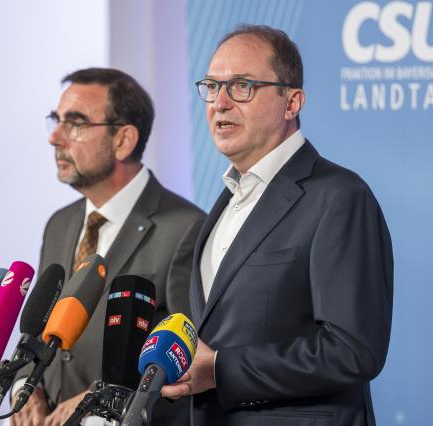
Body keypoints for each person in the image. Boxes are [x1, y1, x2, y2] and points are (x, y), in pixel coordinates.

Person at [161, 25, 393, 426]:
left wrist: (220, 370)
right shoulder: (226, 201)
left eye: (242, 86)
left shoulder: (339, 197)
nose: (220, 102)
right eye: (212, 86)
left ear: (292, 102)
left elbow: (353, 351)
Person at [11, 68, 205, 426]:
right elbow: (37, 331)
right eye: (56, 120)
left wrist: (103, 400)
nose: (55, 137)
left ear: (123, 140)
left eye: (76, 123)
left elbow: (187, 359)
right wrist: (25, 387)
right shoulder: (59, 224)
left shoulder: (186, 228)